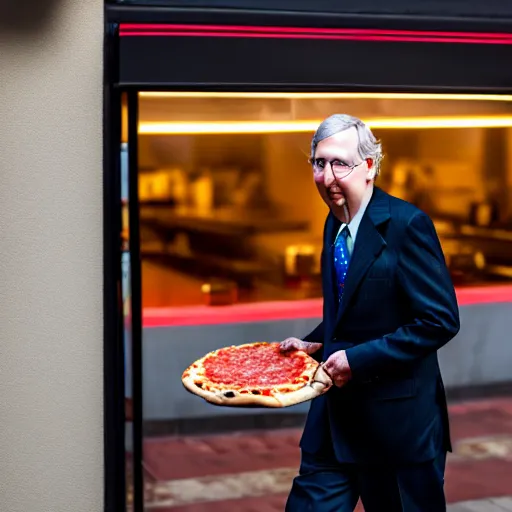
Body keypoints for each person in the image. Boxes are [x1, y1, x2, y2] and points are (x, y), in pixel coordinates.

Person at [280, 114, 460, 511]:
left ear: (369, 167)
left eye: (340, 163)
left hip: (396, 430)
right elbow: (352, 311)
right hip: (333, 425)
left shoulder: (407, 224)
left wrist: (357, 360)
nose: (328, 177)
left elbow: (440, 320)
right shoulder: (334, 223)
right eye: (319, 163)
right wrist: (313, 342)